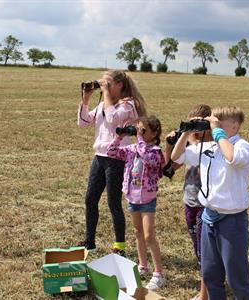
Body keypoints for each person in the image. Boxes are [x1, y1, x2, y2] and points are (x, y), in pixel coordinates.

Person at [171, 106, 249, 300]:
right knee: (210, 274)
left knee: (237, 278)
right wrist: (186, 133)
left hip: (231, 221)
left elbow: (232, 158)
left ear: (235, 125)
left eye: (219, 122)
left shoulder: (243, 147)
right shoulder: (209, 147)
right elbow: (177, 157)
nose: (212, 125)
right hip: (208, 218)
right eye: (212, 122)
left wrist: (217, 132)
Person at [77, 70, 147, 255]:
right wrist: (85, 100)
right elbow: (84, 122)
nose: (103, 86)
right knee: (90, 199)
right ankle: (89, 241)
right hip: (100, 156)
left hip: (117, 158)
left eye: (107, 83)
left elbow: (113, 119)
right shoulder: (103, 104)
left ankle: (119, 245)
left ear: (119, 85)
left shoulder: (128, 105)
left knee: (113, 202)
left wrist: (106, 94)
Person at [107, 116, 166, 290]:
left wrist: (139, 139)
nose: (139, 134)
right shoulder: (132, 149)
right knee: (138, 232)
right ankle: (143, 265)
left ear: (154, 134)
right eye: (138, 130)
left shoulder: (155, 151)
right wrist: (120, 136)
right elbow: (111, 152)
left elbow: (149, 159)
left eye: (143, 131)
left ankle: (159, 273)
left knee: (148, 235)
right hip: (132, 197)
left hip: (147, 199)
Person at [164, 104, 212, 300]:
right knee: (197, 245)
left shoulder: (211, 146)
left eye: (197, 126)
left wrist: (191, 139)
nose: (194, 131)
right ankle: (210, 282)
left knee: (204, 249)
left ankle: (204, 294)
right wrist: (170, 144)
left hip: (205, 204)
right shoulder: (189, 147)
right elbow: (169, 169)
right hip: (189, 201)